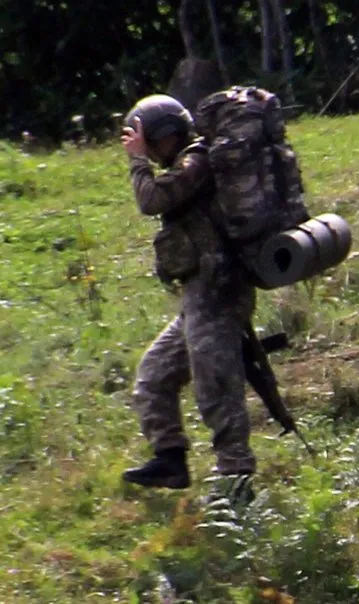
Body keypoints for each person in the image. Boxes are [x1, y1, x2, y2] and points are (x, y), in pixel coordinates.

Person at [119, 94, 257, 492]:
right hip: (200, 292)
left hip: (219, 290)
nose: (149, 149)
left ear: (166, 134)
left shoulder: (197, 160)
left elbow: (152, 200)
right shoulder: (189, 161)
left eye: (150, 140)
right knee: (153, 377)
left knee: (215, 383)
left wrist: (137, 160)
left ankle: (236, 480)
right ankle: (170, 461)